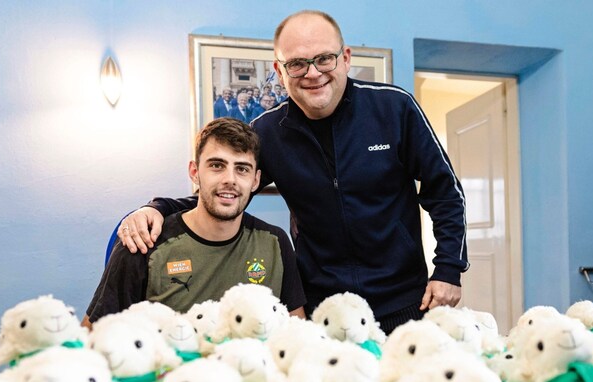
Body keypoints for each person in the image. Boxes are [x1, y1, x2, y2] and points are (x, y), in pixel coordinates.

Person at [117, 10, 468, 334]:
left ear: (345, 58)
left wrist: (449, 269)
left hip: (405, 303)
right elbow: (224, 194)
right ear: (280, 71)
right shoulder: (267, 132)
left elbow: (445, 192)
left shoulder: (395, 107)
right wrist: (158, 208)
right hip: (321, 309)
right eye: (297, 63)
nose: (313, 73)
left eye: (324, 59)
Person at [83, 118, 306, 327]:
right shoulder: (145, 242)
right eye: (217, 165)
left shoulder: (275, 243)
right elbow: (93, 337)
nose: (230, 179)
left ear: (255, 180)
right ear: (194, 172)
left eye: (242, 169)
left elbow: (298, 336)